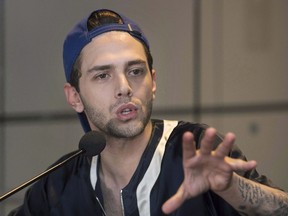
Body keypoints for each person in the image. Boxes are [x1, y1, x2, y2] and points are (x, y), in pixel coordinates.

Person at [9, 8, 288, 216]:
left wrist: (230, 187)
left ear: (153, 82)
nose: (124, 87)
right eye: (103, 75)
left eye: (135, 71)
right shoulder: (58, 185)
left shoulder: (197, 149)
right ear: (74, 97)